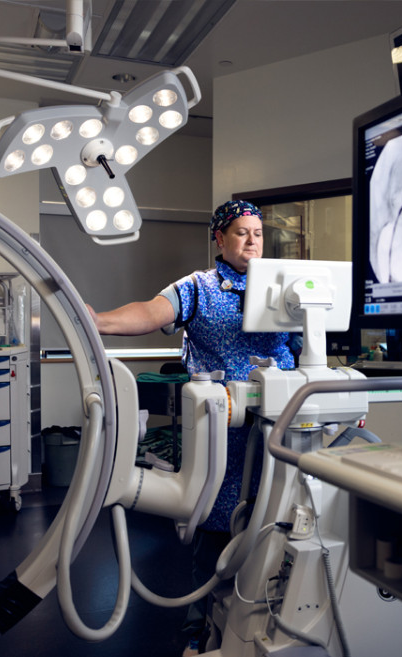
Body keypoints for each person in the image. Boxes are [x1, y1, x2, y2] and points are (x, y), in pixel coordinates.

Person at [88, 200, 297, 656]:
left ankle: (267, 629)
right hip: (225, 436)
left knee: (279, 535)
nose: (252, 241)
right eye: (241, 232)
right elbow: (151, 312)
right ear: (219, 239)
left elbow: (307, 344)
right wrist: (98, 321)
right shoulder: (200, 288)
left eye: (258, 233)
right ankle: (198, 635)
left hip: (279, 433)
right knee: (217, 539)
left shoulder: (284, 286)